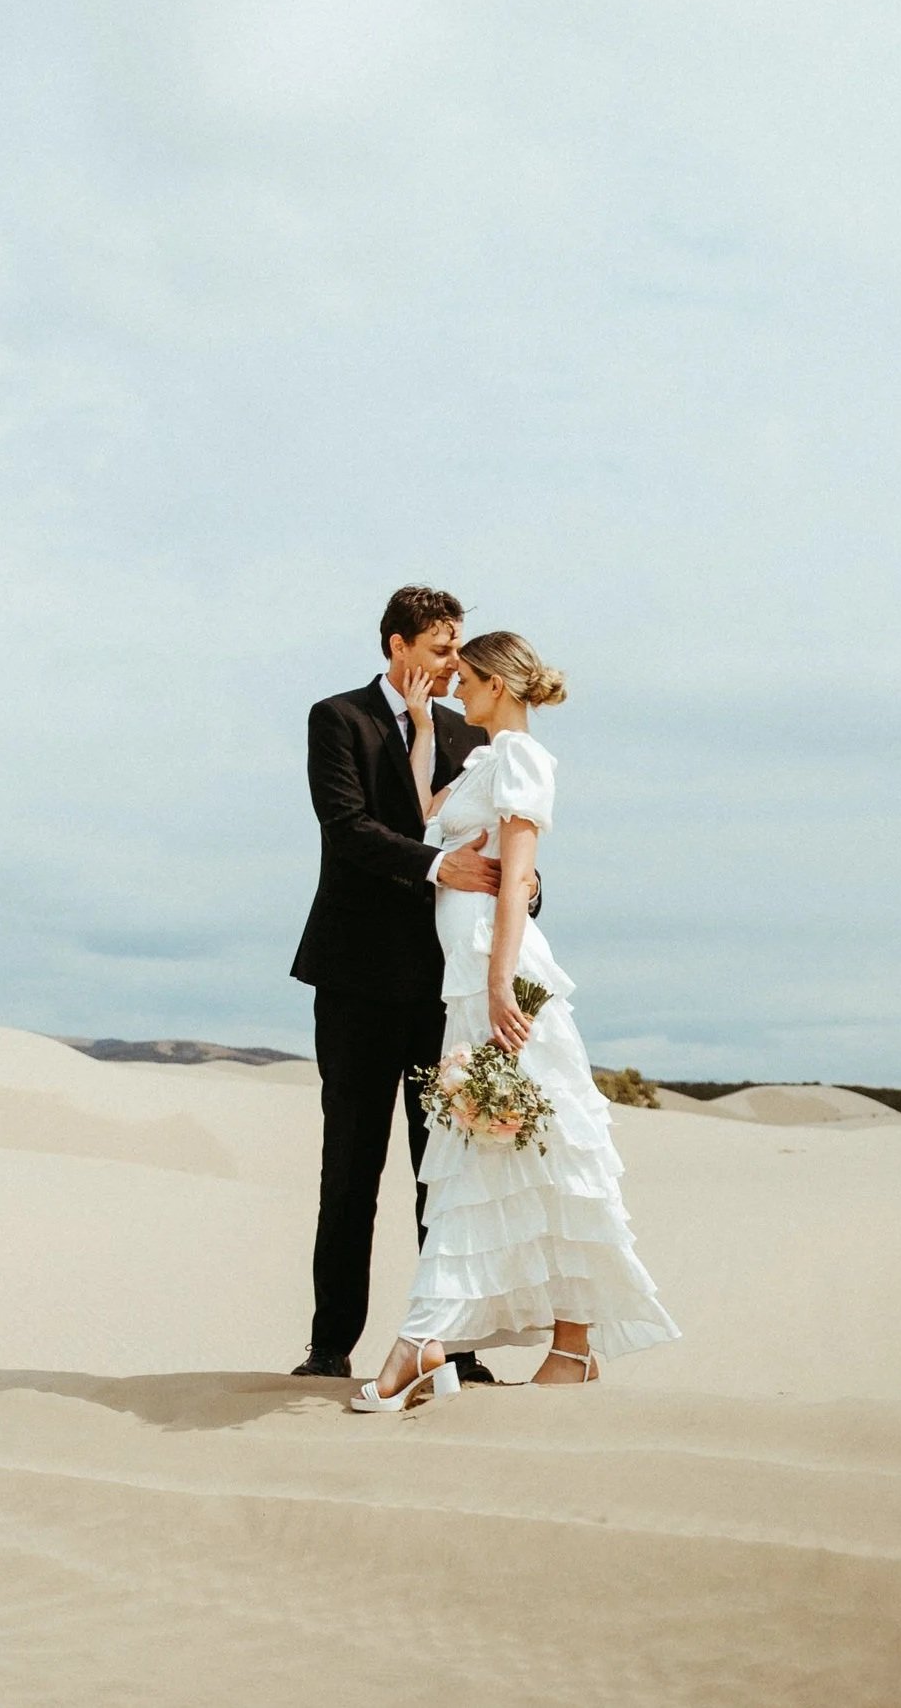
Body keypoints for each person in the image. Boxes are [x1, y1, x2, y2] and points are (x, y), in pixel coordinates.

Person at [351, 631, 678, 1410]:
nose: (456, 687)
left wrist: (501, 982)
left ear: (497, 683)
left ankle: (421, 1344)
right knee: (520, 1155)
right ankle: (567, 1350)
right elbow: (428, 816)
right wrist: (426, 728)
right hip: (466, 984)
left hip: (502, 982)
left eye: (464, 678)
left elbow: (518, 873)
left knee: (512, 1153)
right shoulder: (484, 759)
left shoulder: (524, 760)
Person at [289, 587, 512, 1382]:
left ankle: (453, 1347)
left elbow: (497, 834)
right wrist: (434, 864)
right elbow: (347, 829)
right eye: (441, 649)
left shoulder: (467, 732)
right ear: (398, 647)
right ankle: (329, 1347)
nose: (456, 664)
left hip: (437, 988)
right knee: (349, 1167)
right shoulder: (337, 719)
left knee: (443, 1173)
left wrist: (518, 890)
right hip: (351, 981)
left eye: (459, 649)